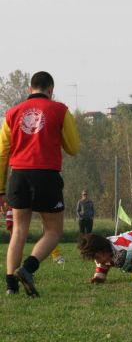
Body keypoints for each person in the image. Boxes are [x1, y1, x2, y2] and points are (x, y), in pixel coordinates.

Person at [0, 71, 80, 297]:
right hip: (46, 174)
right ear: (51, 89)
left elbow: (2, 154)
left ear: (29, 89)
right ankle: (27, 268)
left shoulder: (12, 114)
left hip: (19, 175)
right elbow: (73, 148)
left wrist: (0, 190)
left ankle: (10, 285)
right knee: (54, 230)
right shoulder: (60, 110)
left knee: (19, 229)